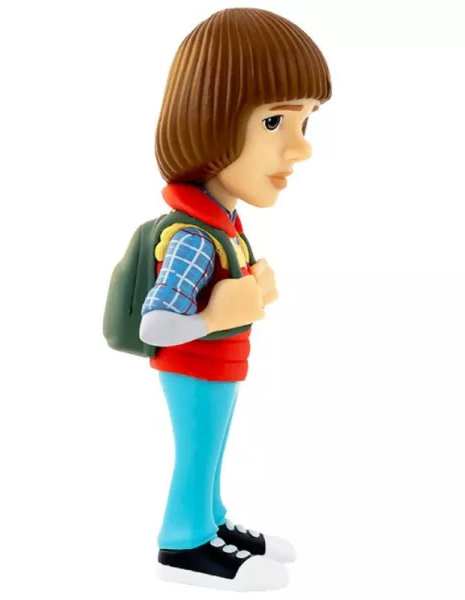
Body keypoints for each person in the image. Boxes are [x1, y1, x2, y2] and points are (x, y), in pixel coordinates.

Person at [138, 8, 332, 591]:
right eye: (275, 122)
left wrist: (248, 293)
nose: (301, 149)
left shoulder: (223, 223)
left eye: (306, 122)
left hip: (219, 363)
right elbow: (157, 323)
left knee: (214, 449)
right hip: (194, 364)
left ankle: (212, 522)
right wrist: (217, 314)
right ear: (210, 122)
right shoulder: (195, 236)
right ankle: (184, 540)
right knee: (198, 451)